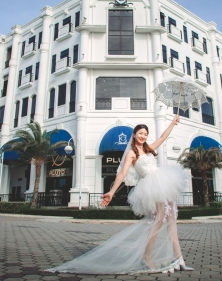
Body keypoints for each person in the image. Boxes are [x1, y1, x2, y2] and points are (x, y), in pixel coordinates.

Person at [46, 115, 194, 274]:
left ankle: (179, 259)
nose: (143, 136)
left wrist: (173, 122)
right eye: (140, 133)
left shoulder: (149, 149)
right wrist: (111, 191)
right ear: (134, 134)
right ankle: (147, 256)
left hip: (163, 182)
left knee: (172, 220)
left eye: (145, 133)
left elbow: (163, 137)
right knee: (158, 221)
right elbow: (122, 173)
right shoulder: (132, 153)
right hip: (152, 186)